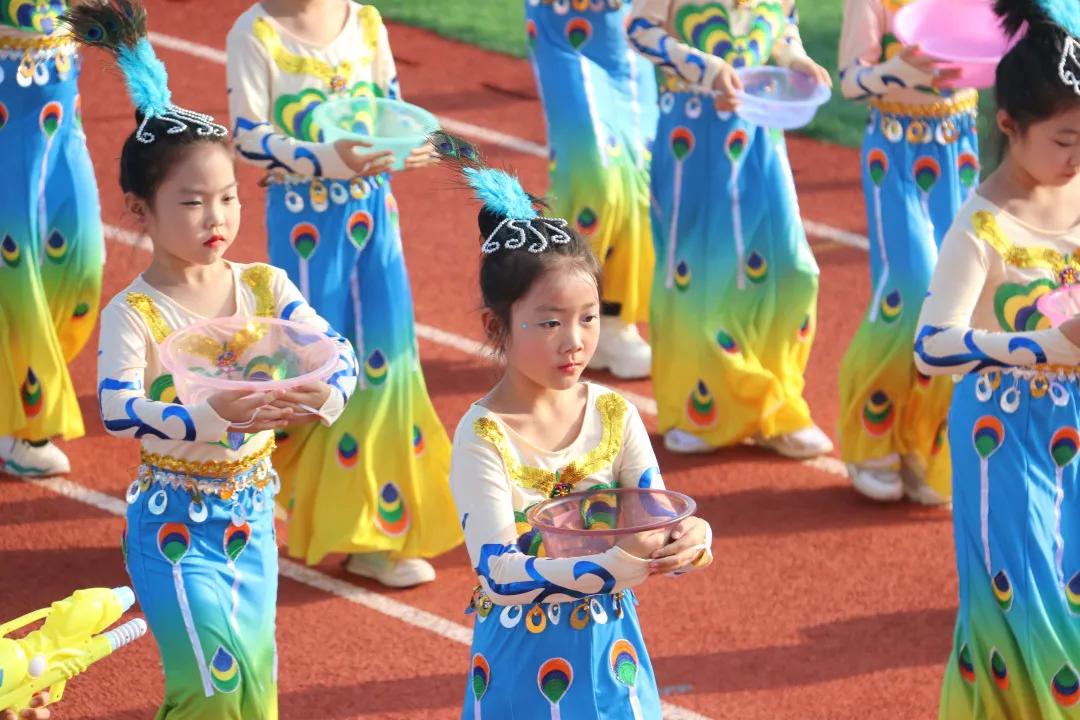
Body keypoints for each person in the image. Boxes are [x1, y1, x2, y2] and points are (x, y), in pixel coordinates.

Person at [66, 1, 357, 714]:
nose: (217, 218)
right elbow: (115, 409)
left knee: (255, 688)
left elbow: (338, 354)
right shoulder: (133, 311)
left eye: (227, 197)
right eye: (193, 202)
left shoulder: (265, 285)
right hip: (171, 526)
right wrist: (205, 415)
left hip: (252, 517)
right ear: (140, 210)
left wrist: (320, 397)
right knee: (211, 682)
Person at [438, 134, 713, 718]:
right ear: (498, 325)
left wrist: (692, 540)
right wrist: (610, 566)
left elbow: (657, 514)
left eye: (588, 318)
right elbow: (498, 574)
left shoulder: (615, 414)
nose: (576, 341)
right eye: (549, 322)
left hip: (615, 658)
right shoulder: (482, 437)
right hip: (519, 669)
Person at [226, 0, 460, 588]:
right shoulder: (254, 33)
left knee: (388, 367)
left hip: (377, 218)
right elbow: (248, 136)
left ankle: (373, 531)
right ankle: (242, 496)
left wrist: (415, 145)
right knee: (308, 367)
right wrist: (323, 158)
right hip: (305, 226)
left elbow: (393, 110)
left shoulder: (367, 23)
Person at [914, 0, 1080, 715]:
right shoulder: (980, 223)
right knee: (1031, 599)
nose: (1079, 158)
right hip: (1002, 439)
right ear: (1009, 124)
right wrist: (1040, 347)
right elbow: (932, 345)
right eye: (1067, 139)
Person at [627, 0, 835, 457]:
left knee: (793, 269)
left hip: (761, 133)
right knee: (698, 274)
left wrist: (794, 58)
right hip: (692, 139)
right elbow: (639, 30)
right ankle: (696, 407)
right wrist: (704, 66)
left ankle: (777, 405)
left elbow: (782, 23)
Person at [837, 0, 979, 505]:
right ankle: (871, 435)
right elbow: (851, 81)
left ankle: (925, 442)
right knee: (910, 286)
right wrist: (896, 71)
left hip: (959, 145)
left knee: (959, 293)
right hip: (895, 150)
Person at [525, 0, 658, 379]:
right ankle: (552, 310)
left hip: (629, 32)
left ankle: (612, 321)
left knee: (643, 177)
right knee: (593, 175)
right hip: (563, 25)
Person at [0, 0, 104, 476]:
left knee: (83, 264)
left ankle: (20, 391)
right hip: (8, 125)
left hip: (65, 125)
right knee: (16, 274)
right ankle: (25, 422)